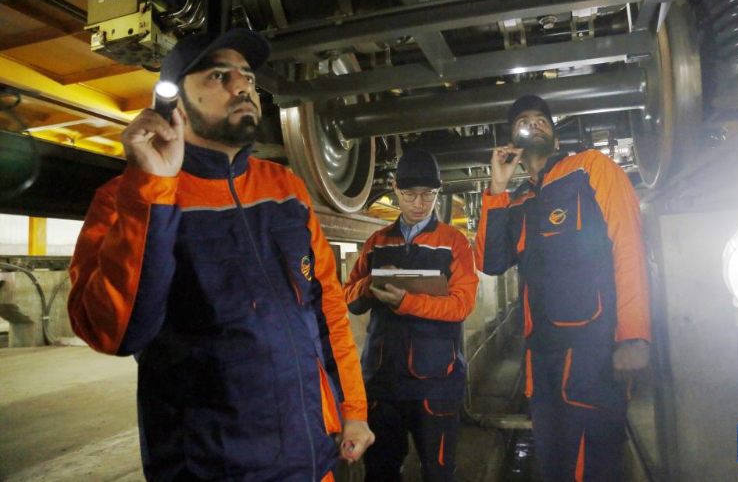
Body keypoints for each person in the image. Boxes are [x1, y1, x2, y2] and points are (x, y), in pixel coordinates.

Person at [67, 28, 374, 482]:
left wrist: (352, 409)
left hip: (310, 456)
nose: (242, 87)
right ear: (174, 104)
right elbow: (115, 333)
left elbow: (326, 306)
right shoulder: (127, 196)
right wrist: (151, 189)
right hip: (210, 467)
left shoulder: (284, 189)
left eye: (247, 77)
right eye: (218, 76)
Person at [474, 95, 651, 481]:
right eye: (523, 120)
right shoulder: (518, 201)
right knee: (554, 465)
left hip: (593, 355)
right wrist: (497, 187)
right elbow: (490, 261)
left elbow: (627, 245)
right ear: (513, 143)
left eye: (542, 119)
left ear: (556, 139)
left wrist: (634, 336)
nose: (534, 123)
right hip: (541, 361)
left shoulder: (590, 169)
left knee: (593, 466)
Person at [343, 148, 479, 482]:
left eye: (428, 194)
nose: (419, 203)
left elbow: (461, 305)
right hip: (382, 380)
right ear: (394, 188)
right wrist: (368, 286)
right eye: (409, 194)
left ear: (438, 191)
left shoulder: (454, 243)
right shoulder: (376, 242)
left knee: (438, 472)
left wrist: (407, 301)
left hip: (436, 382)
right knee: (380, 473)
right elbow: (348, 298)